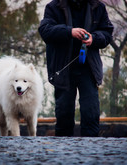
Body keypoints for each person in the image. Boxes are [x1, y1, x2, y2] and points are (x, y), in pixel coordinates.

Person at [38, 0, 114, 137]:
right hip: (63, 70)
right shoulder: (53, 7)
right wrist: (69, 32)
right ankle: (63, 153)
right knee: (64, 115)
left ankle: (91, 150)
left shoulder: (98, 6)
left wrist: (94, 38)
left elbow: (107, 33)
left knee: (91, 113)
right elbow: (45, 31)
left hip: (89, 69)